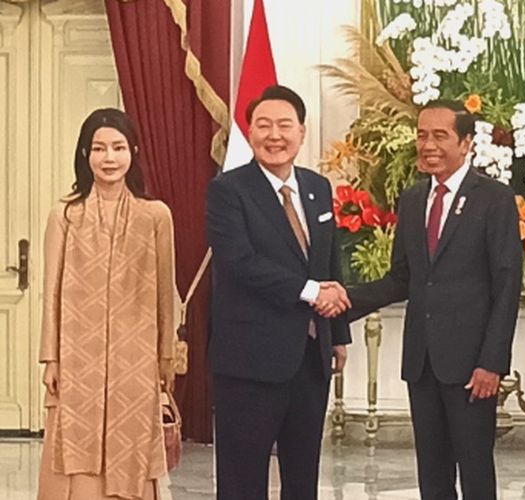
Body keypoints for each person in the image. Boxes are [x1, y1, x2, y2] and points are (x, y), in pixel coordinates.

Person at [345, 100, 523, 499]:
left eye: (440, 135)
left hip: (471, 368)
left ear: (466, 142)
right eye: (422, 135)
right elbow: (403, 279)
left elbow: (507, 285)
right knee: (432, 475)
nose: (428, 144)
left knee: (476, 472)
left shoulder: (493, 199)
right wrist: (344, 302)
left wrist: (491, 363)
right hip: (423, 363)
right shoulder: (412, 199)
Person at [206, 85, 352, 500]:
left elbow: (328, 263)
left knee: (302, 476)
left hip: (310, 357)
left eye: (284, 125)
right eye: (264, 125)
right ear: (249, 132)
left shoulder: (317, 187)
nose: (274, 135)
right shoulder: (228, 191)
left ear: (302, 132)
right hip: (249, 360)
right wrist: (310, 292)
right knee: (242, 479)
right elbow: (239, 263)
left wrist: (338, 334)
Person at [38, 108, 176, 500]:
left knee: (130, 449)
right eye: (98, 148)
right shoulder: (65, 215)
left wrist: (165, 358)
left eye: (117, 147)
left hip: (136, 359)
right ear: (85, 155)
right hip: (77, 357)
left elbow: (167, 294)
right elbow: (51, 292)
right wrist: (51, 358)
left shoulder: (156, 217)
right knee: (74, 450)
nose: (109, 158)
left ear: (133, 151)